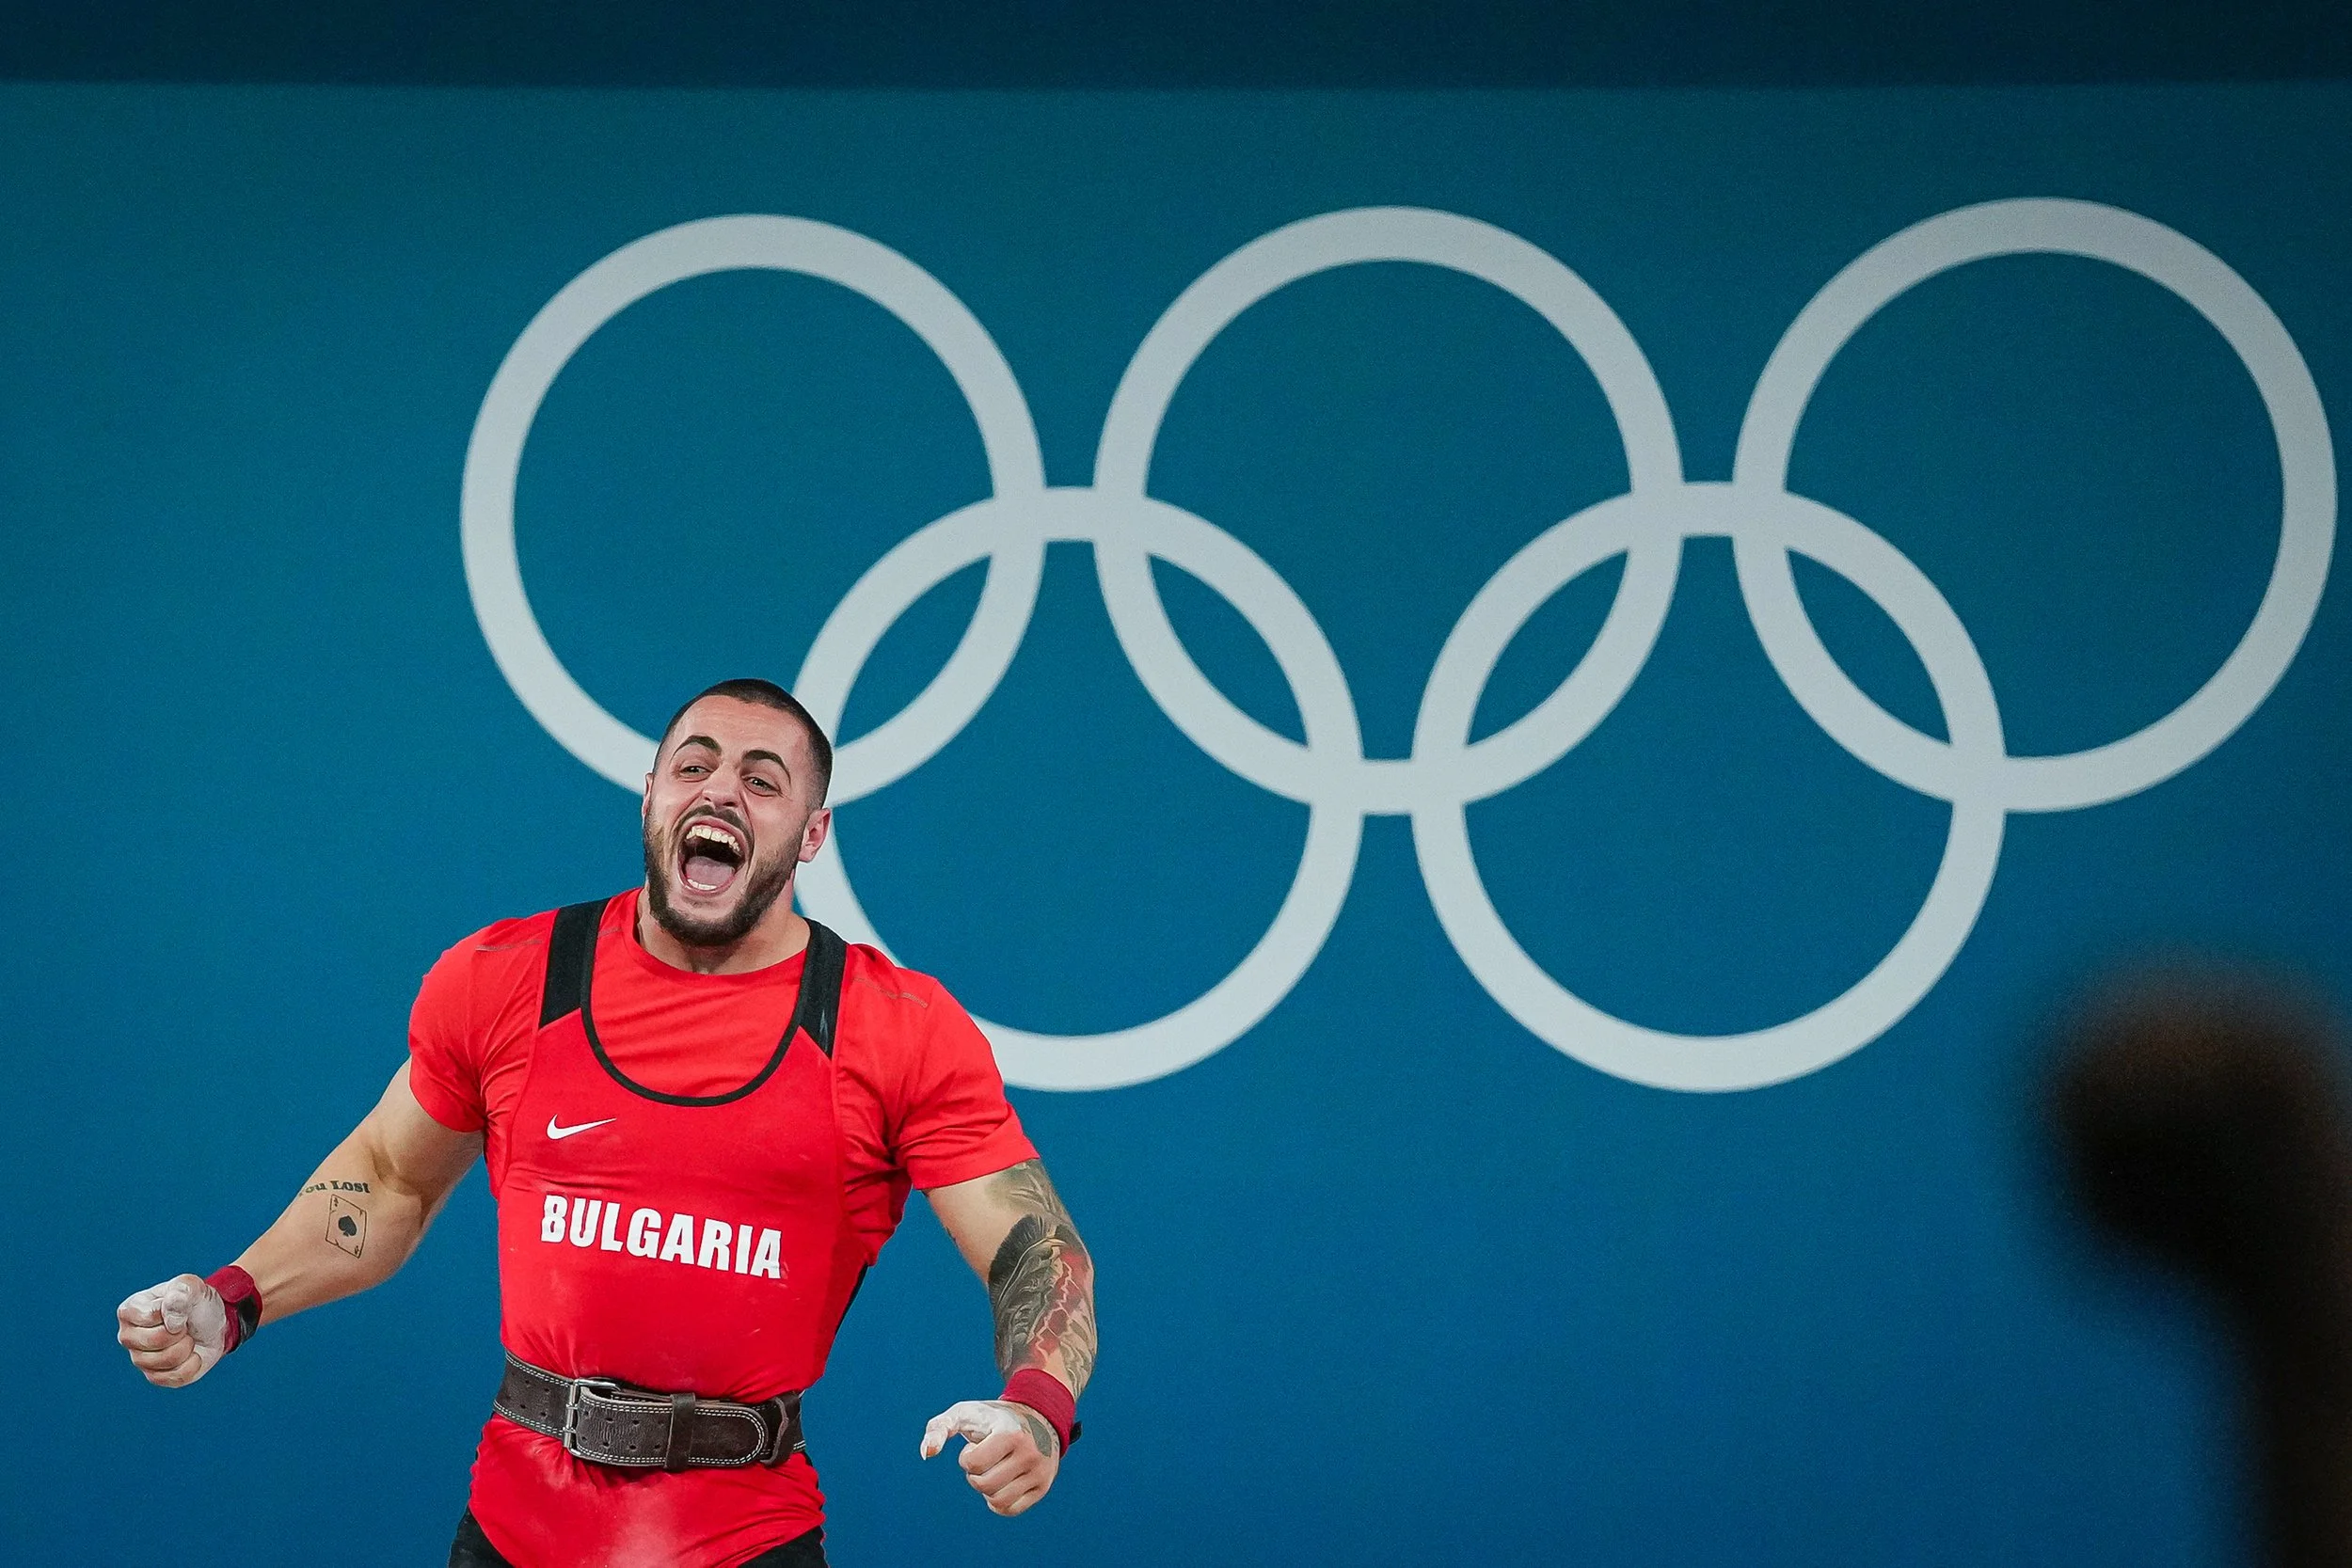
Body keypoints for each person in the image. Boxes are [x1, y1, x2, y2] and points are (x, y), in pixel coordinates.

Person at [115, 678, 1098, 1568]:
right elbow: (389, 1177)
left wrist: (1039, 1405)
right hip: (508, 1533)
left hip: (744, 1543)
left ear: (811, 834)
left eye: (762, 779)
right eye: (693, 764)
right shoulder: (507, 977)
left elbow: (1036, 1249)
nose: (718, 790)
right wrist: (233, 1296)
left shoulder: (894, 1028)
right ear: (652, 796)